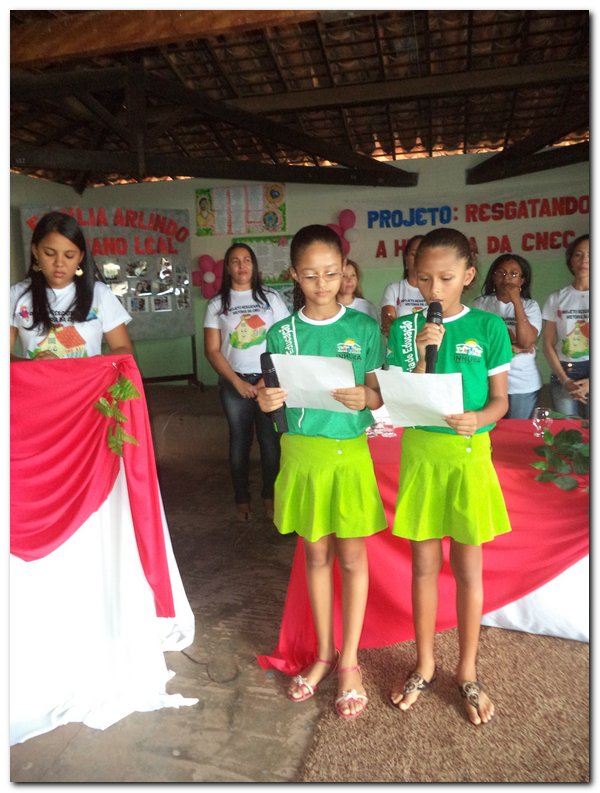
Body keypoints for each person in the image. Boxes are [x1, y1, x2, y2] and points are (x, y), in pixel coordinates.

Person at [257, 224, 387, 719]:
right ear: (294, 275)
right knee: (315, 557)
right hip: (303, 455)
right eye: (310, 275)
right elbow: (274, 405)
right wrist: (267, 399)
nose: (322, 284)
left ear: (345, 272)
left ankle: (349, 663)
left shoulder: (363, 330)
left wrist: (368, 398)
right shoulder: (280, 333)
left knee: (352, 559)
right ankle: (324, 656)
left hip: (349, 454)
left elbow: (380, 396)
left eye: (331, 273)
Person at [386, 227, 513, 726]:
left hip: (468, 456)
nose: (433, 290)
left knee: (467, 570)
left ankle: (467, 669)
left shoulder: (489, 327)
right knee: (422, 567)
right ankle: (424, 662)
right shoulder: (403, 328)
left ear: (468, 274)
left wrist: (477, 419)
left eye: (444, 277)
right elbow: (398, 396)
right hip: (421, 456)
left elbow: (500, 400)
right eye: (423, 278)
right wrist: (419, 352)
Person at [204, 243, 290, 520]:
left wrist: (267, 379)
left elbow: (284, 340)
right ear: (227, 268)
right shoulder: (218, 304)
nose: (241, 266)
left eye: (246, 261)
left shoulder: (271, 298)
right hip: (234, 383)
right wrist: (236, 382)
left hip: (270, 380)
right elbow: (213, 350)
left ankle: (269, 496)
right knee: (239, 441)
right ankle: (242, 498)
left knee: (270, 442)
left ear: (254, 266)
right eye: (235, 261)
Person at [10, 211, 133, 360]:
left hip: (87, 383)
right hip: (36, 382)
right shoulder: (16, 294)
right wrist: (33, 366)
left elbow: (123, 350)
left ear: (80, 257)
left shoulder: (99, 293)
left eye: (69, 256)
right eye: (49, 253)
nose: (59, 263)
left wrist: (78, 367)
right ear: (35, 251)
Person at [473, 254, 542, 419]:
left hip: (522, 383)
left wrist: (516, 301)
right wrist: (513, 347)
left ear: (522, 280)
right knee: (492, 432)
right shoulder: (481, 304)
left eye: (514, 274)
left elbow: (526, 342)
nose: (507, 278)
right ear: (493, 277)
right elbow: (478, 344)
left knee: (517, 434)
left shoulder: (530, 306)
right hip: (489, 381)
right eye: (501, 273)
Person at [542, 234, 589, 418]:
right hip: (564, 371)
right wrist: (565, 381)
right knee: (568, 432)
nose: (584, 260)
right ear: (570, 260)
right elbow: (547, 344)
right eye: (578, 254)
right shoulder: (556, 298)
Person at [380, 234, 427, 334]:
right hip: (402, 348)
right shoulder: (394, 289)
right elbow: (388, 325)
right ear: (406, 258)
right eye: (413, 254)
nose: (418, 259)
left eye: (422, 254)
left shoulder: (435, 289)